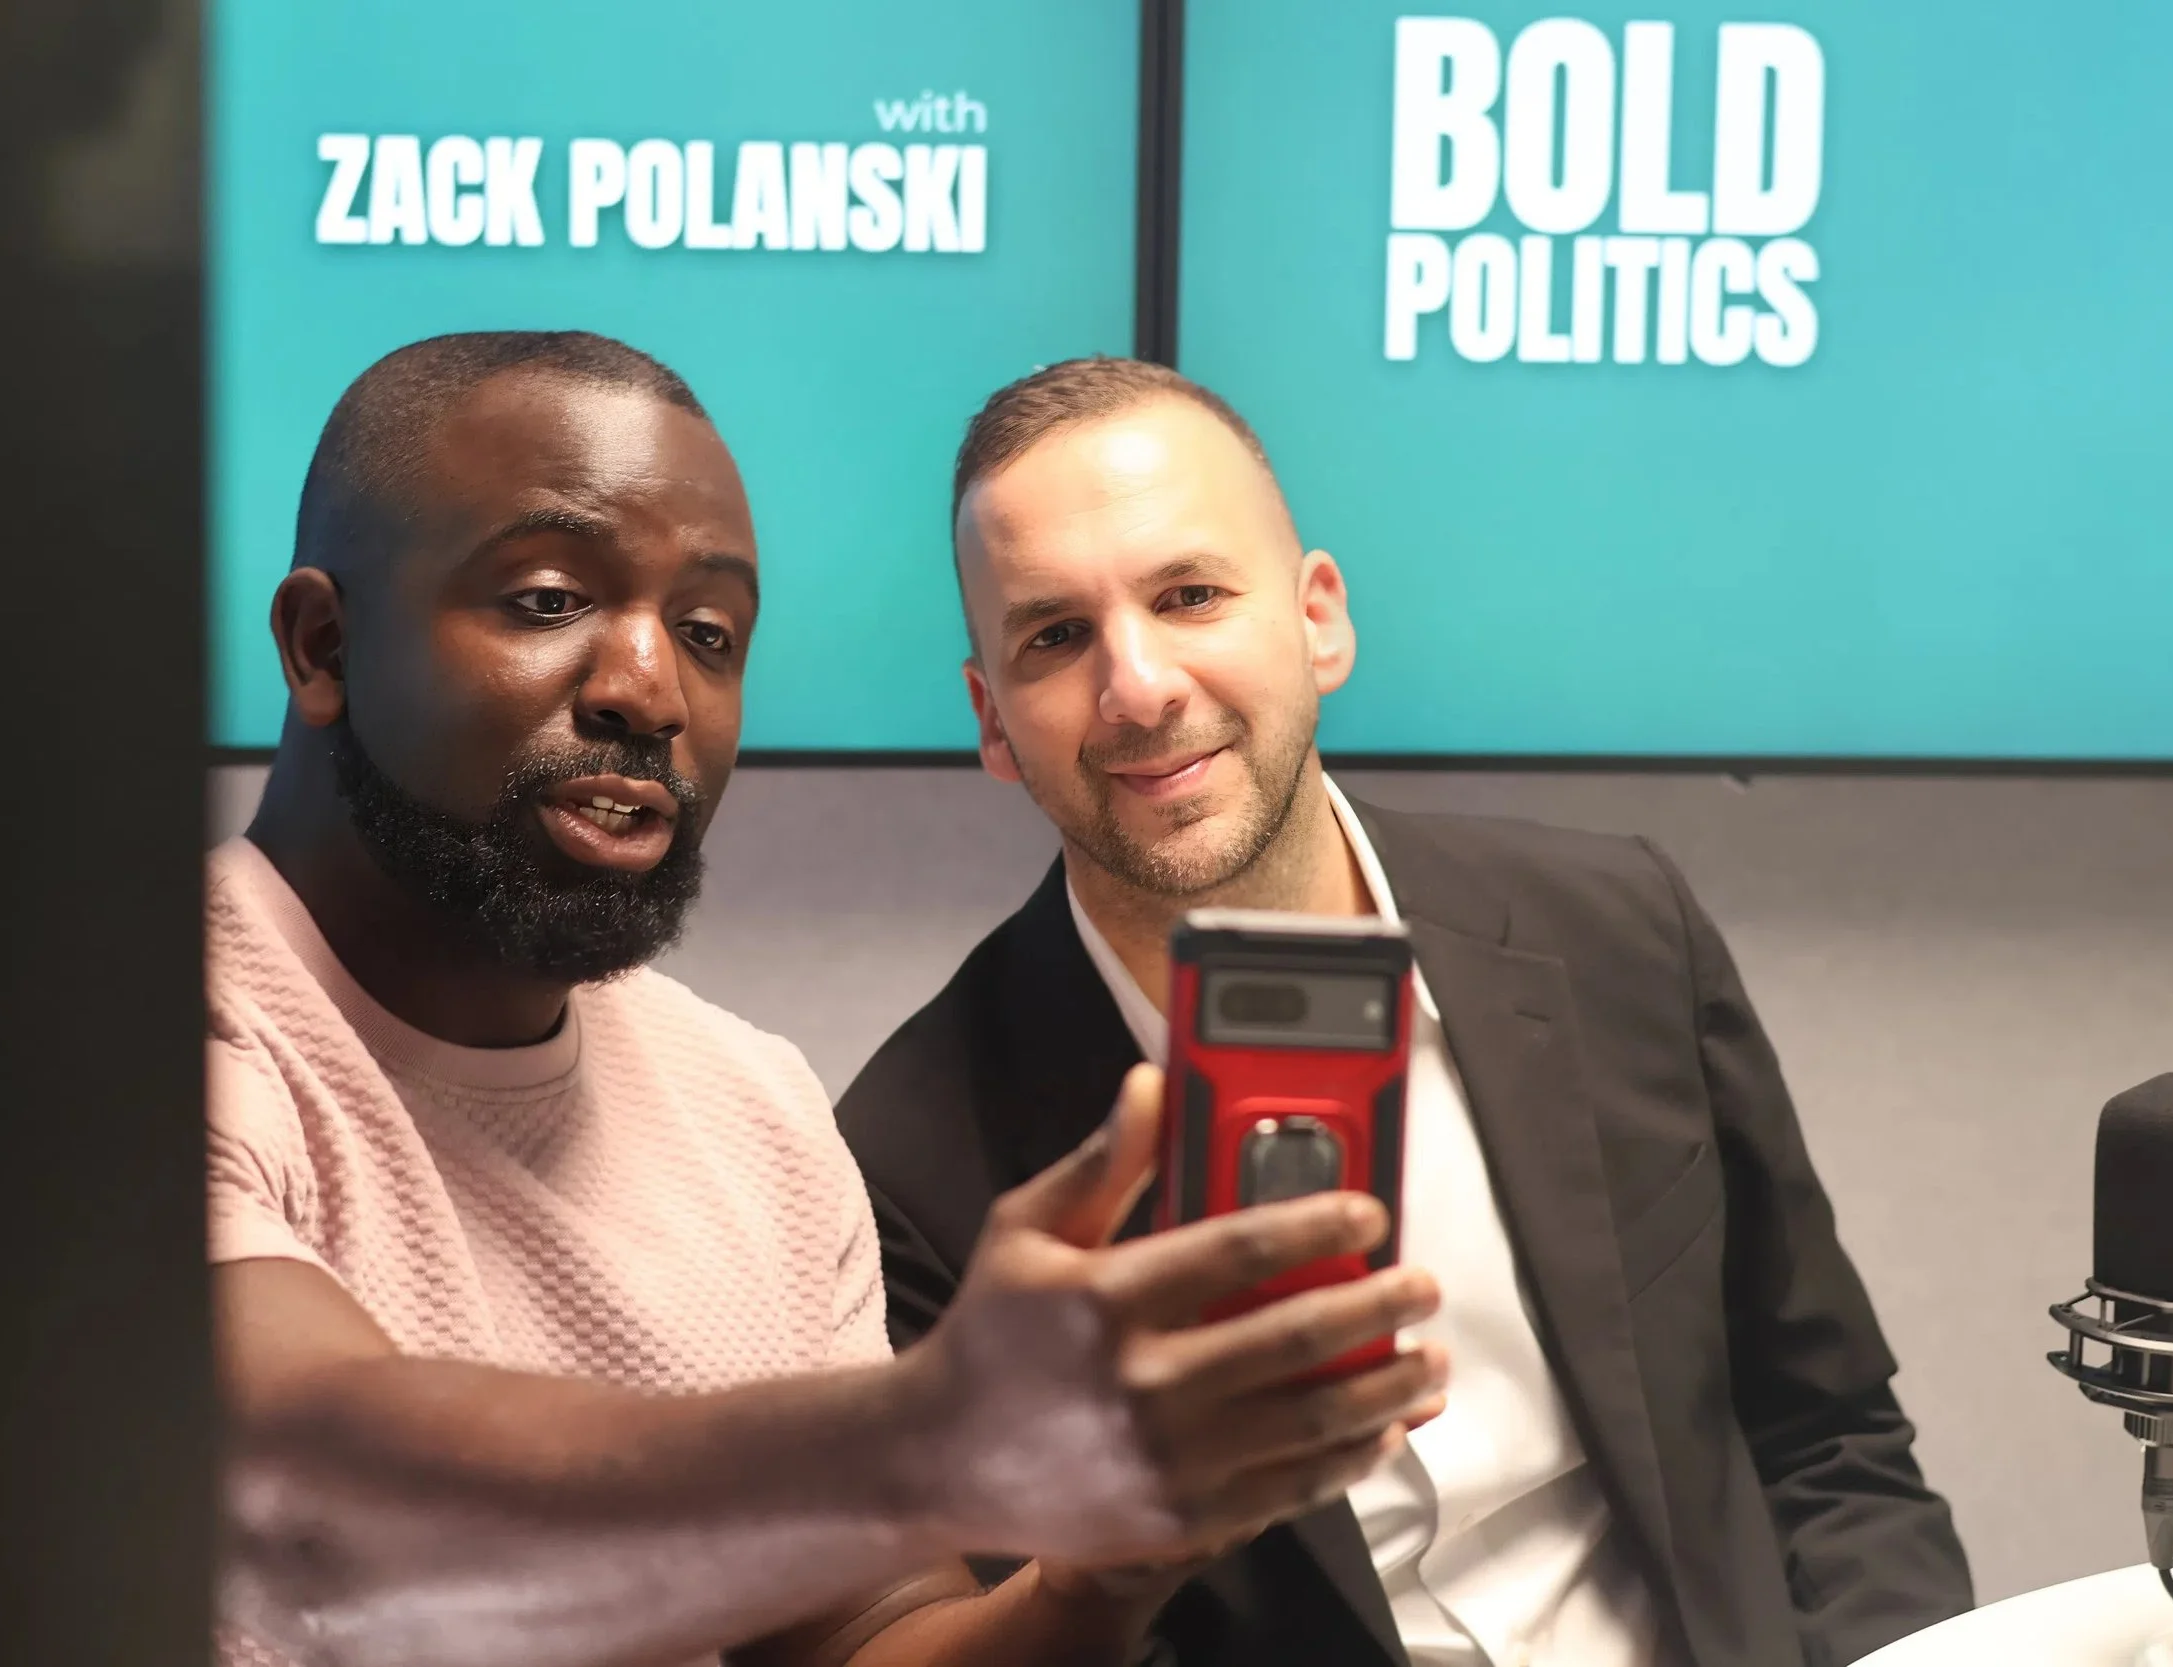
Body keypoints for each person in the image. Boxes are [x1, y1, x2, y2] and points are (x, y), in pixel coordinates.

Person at [206, 331, 1456, 1667]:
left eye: (708, 634)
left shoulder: (754, 1110)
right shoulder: (125, 1039)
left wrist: (1105, 1573)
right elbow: (312, 1509)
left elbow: (872, 1634)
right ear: (323, 644)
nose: (649, 690)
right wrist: (934, 1435)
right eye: (550, 599)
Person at [834, 357, 1975, 1667]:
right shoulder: (906, 1171)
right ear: (992, 721)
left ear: (1318, 619)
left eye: (1189, 595)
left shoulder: (1616, 931)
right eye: (1054, 637)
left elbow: (1828, 1436)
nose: (1138, 685)